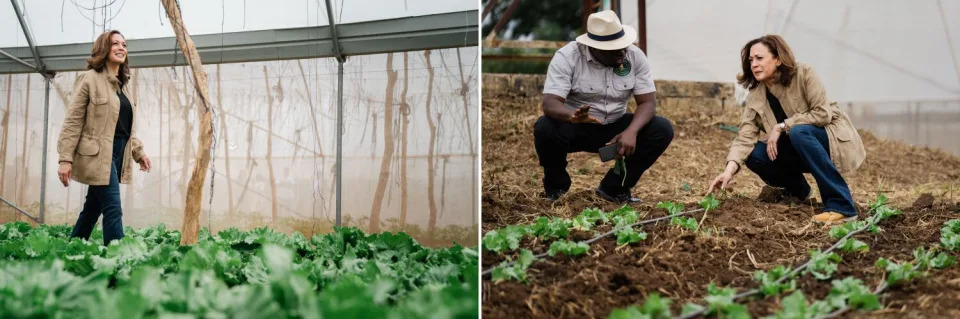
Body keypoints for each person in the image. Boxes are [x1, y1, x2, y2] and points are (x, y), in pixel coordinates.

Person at [707, 35, 866, 224]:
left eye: (759, 58)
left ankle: (842, 207)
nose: (754, 64)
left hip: (829, 141)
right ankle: (799, 193)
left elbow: (823, 114)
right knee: (754, 153)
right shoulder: (756, 95)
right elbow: (744, 138)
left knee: (799, 132)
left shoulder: (804, 73)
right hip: (800, 147)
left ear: (778, 59)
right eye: (751, 60)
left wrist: (783, 126)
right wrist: (729, 171)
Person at [535, 10, 674, 204]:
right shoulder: (568, 57)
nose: (622, 52)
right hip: (577, 125)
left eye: (623, 46)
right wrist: (572, 116)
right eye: (613, 49)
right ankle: (556, 188)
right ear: (594, 48)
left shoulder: (634, 56)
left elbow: (648, 103)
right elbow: (550, 103)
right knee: (545, 128)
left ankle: (614, 188)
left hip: (616, 127)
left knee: (662, 129)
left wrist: (631, 131)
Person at [57, 30, 152, 245]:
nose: (121, 48)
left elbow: (126, 129)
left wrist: (139, 153)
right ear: (103, 49)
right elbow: (73, 121)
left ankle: (72, 249)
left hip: (118, 153)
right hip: (98, 154)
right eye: (115, 44)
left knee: (92, 208)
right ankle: (118, 259)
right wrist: (65, 159)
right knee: (112, 207)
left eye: (124, 45)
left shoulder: (123, 87)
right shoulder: (89, 79)